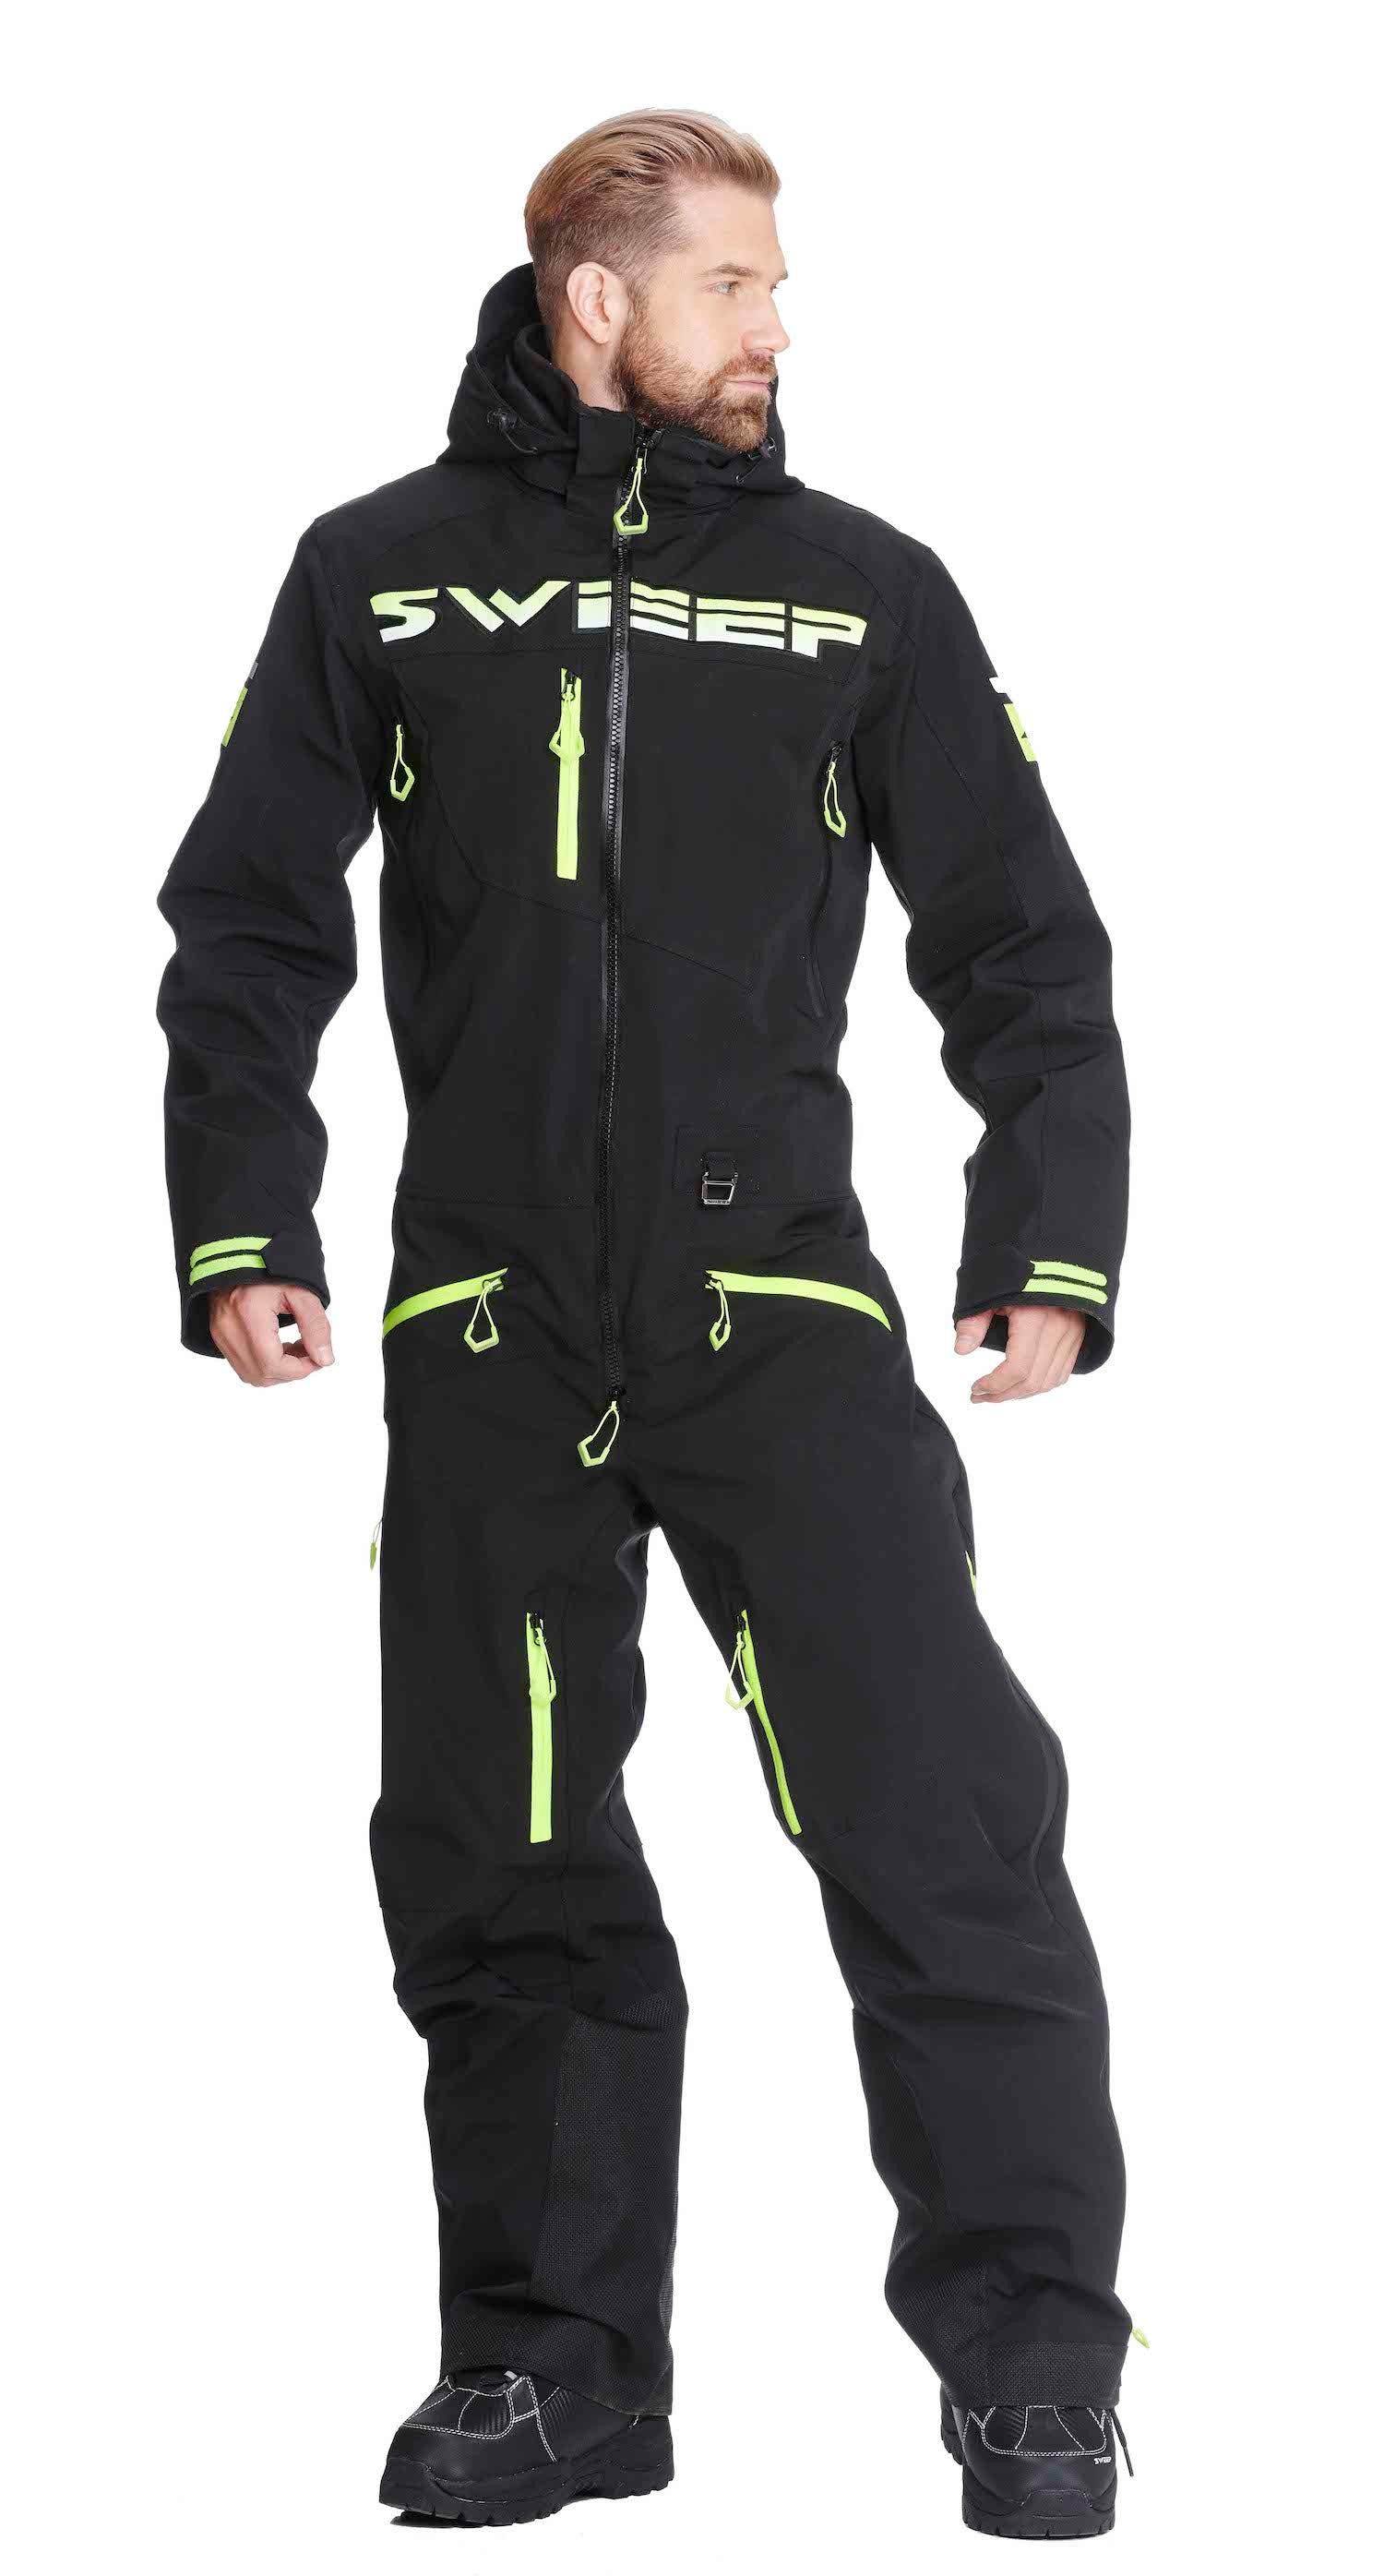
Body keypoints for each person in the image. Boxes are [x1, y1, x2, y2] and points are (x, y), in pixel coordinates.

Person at [156, 107, 1134, 2541]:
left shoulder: (858, 590)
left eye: (773, 287)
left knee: (943, 1830)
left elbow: (1023, 944)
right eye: (736, 284)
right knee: (497, 1855)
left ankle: (1035, 2370)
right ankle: (553, 2374)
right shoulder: (382, 573)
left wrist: (1047, 1242)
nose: (777, 326)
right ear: (599, 298)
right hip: (491, 1318)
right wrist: (240, 1216)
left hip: (773, 1309)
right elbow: (249, 922)